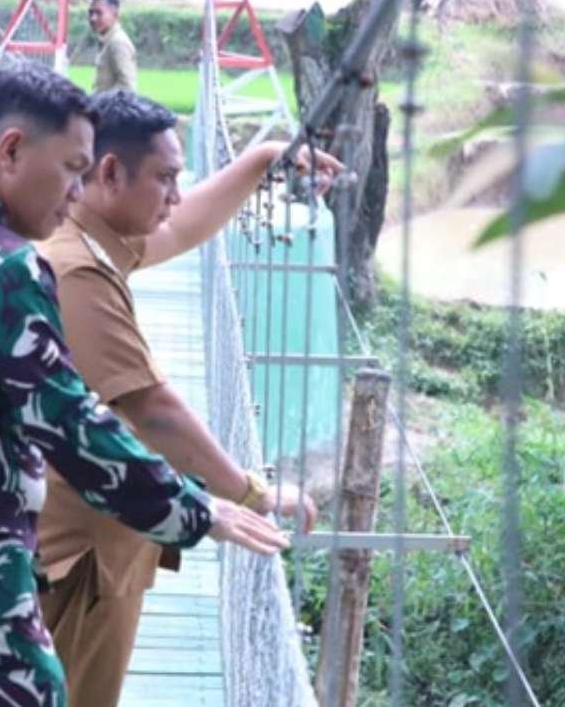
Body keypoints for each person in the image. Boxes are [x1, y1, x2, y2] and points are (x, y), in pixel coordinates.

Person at [0, 62, 289, 707]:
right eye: (70, 169)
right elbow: (68, 424)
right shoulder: (6, 264)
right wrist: (196, 509)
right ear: (11, 150)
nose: (76, 193)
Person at [37, 90, 342, 706]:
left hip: (98, 539)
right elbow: (154, 409)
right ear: (110, 173)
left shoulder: (91, 238)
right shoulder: (78, 270)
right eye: (166, 178)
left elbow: (180, 226)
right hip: (81, 560)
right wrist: (250, 493)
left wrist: (265, 159)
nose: (176, 195)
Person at [88, 0, 137, 95]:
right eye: (91, 13)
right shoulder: (107, 40)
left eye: (99, 13)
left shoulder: (118, 43)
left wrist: (103, 104)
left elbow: (127, 87)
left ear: (115, 15)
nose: (93, 18)